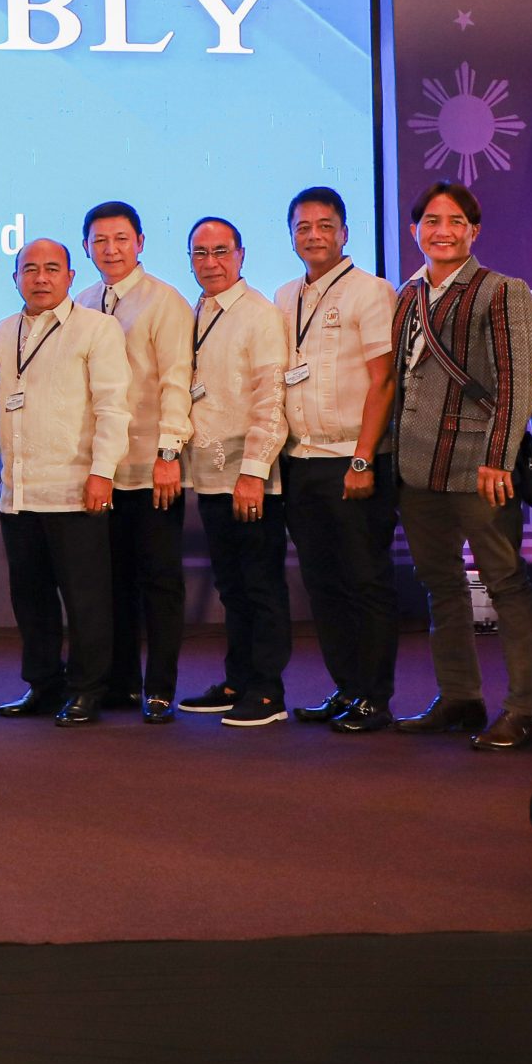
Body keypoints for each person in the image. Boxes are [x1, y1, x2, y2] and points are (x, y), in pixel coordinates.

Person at [389, 181, 532, 752]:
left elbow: (517, 382)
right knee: (439, 586)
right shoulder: (408, 295)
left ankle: (524, 709)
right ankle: (459, 697)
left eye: (456, 221)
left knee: (505, 584)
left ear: (473, 231)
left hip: (480, 464)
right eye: (432, 221)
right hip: (417, 466)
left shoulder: (503, 291)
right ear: (415, 231)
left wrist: (499, 458)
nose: (443, 230)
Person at [272, 186, 402, 734]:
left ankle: (374, 695)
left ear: (345, 232)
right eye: (303, 227)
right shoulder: (283, 296)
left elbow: (384, 379)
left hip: (354, 459)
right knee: (322, 583)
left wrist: (363, 459)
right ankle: (346, 687)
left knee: (364, 579)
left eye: (325, 225)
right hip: (301, 460)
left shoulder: (371, 292)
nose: (314, 236)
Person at [0, 239, 130, 726]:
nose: (41, 278)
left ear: (71, 277)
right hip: (18, 491)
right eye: (30, 269)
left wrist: (102, 472)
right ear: (15, 279)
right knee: (31, 599)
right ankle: (44, 685)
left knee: (87, 599)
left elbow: (113, 406)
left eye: (52, 269)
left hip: (76, 489)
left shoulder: (97, 329)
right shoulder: (3, 331)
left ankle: (88, 689)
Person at [73, 200, 193, 721]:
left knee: (159, 581)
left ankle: (160, 687)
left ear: (140, 242)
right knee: (111, 581)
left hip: (150, 465)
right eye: (100, 241)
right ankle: (119, 682)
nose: (111, 249)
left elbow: (176, 382)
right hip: (102, 471)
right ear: (86, 248)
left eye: (121, 239)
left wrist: (168, 453)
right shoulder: (81, 301)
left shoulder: (164, 301)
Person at [177, 217, 294, 728]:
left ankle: (268, 691)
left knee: (261, 584)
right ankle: (237, 681)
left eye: (221, 251)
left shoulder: (259, 316)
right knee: (232, 586)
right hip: (209, 474)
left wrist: (254, 472)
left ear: (242, 255)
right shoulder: (199, 311)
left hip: (249, 475)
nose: (211, 262)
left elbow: (272, 398)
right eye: (200, 254)